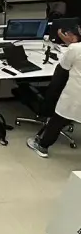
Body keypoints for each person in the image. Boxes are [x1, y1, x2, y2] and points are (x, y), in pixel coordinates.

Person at [28, 23, 81, 158]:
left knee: (57, 120)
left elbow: (63, 69)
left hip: (75, 94)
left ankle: (42, 146)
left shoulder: (75, 48)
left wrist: (69, 44)